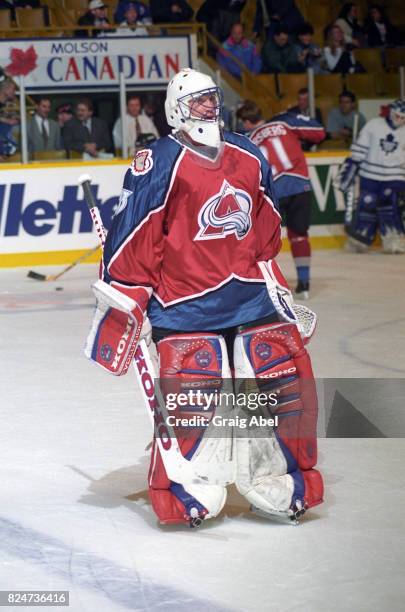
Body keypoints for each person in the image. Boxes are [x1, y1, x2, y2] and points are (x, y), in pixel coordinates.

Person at [84, 68, 324, 528]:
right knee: (191, 399)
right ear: (177, 108)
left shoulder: (247, 153)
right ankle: (189, 489)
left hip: (251, 297)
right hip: (184, 303)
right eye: (198, 101)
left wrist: (262, 273)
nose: (209, 108)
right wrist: (128, 294)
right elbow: (136, 234)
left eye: (212, 98)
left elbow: (267, 223)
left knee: (281, 391)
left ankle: (280, 483)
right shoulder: (158, 160)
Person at [237, 100, 325, 298]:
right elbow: (319, 132)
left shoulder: (246, 138)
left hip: (273, 192)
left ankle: (264, 285)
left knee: (262, 241)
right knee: (299, 235)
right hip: (299, 186)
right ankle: (304, 284)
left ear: (246, 122)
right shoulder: (284, 124)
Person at [338, 100, 405, 254]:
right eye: (397, 116)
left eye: (403, 118)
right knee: (367, 205)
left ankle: (393, 241)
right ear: (390, 112)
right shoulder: (374, 125)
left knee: (391, 207)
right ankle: (359, 239)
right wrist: (349, 170)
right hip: (370, 175)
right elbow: (358, 152)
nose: (400, 120)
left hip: (394, 177)